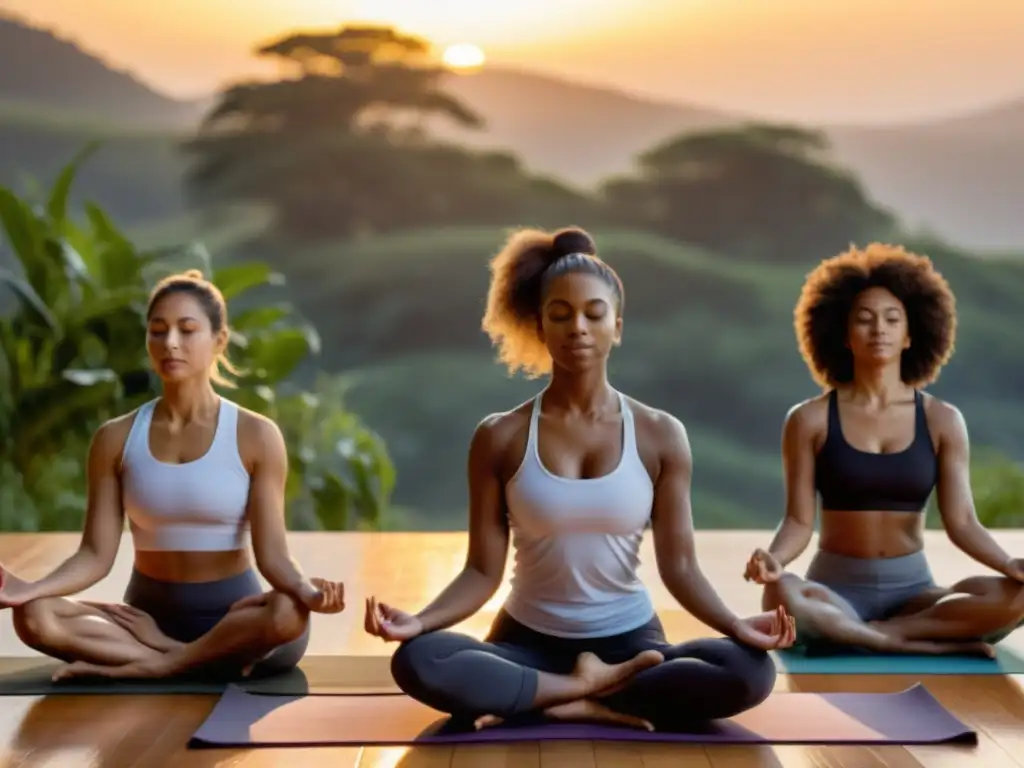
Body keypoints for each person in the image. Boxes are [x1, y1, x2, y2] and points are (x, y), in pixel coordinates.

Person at [364, 226, 795, 733]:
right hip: (525, 642)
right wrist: (420, 621)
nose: (578, 328)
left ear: (617, 325)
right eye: (560, 315)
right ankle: (593, 692)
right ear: (540, 326)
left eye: (594, 314)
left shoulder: (660, 435)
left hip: (631, 642)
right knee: (419, 659)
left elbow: (680, 567)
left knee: (748, 671)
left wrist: (736, 624)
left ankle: (546, 698)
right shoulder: (500, 436)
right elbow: (482, 570)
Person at [0, 269, 345, 682]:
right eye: (158, 331)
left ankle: (162, 663)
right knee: (35, 617)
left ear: (219, 340)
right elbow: (95, 555)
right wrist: (30, 590)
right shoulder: (115, 438)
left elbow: (273, 556)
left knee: (288, 612)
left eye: (187, 329)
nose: (171, 343)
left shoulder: (256, 435)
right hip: (147, 623)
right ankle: (183, 658)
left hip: (236, 623)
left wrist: (308, 591)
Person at [745, 243, 1024, 655]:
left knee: (1016, 596)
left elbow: (963, 522)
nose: (879, 329)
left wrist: (1009, 565)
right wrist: (775, 560)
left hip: (914, 595)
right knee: (782, 596)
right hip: (834, 591)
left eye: (892, 319)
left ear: (912, 335)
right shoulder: (809, 419)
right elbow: (798, 521)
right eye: (864, 319)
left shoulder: (942, 420)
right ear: (843, 334)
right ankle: (917, 644)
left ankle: (877, 636)